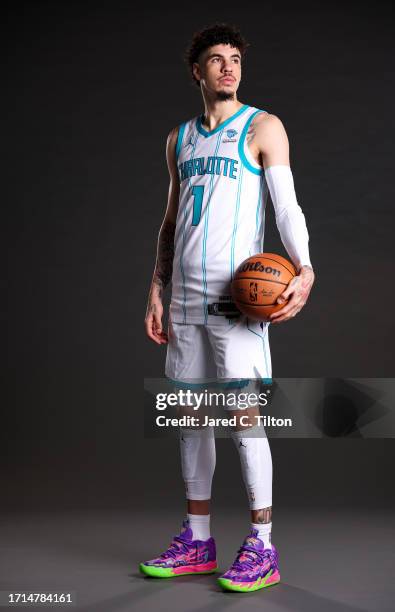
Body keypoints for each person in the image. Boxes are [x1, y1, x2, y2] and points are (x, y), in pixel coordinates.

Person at [141, 23, 315, 593]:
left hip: (239, 304)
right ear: (197, 71)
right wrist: (156, 286)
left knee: (245, 423)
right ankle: (197, 539)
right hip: (185, 301)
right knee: (191, 423)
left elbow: (286, 209)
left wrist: (305, 267)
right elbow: (170, 223)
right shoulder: (180, 140)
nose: (228, 68)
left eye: (235, 58)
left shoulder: (264, 127)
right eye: (216, 60)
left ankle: (262, 546)